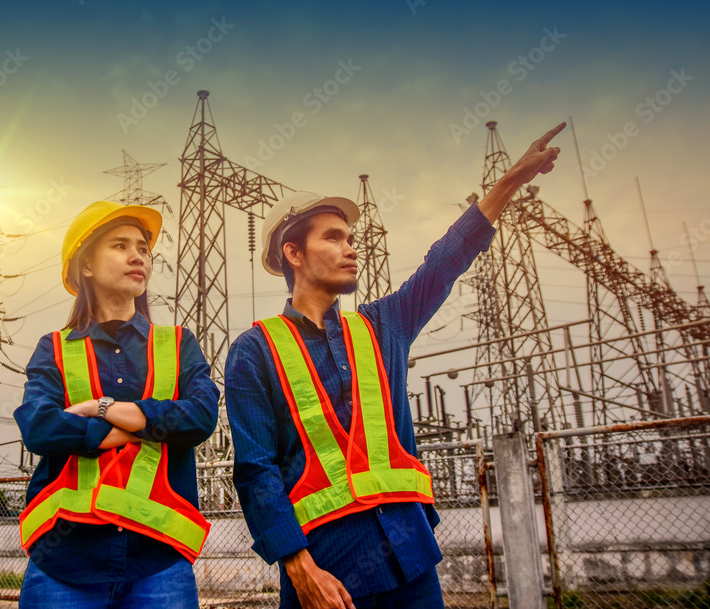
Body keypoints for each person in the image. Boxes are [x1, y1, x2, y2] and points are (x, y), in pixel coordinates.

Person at [225, 123, 566, 608]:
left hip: (410, 558)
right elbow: (257, 470)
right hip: (326, 572)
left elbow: (445, 261)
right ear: (293, 253)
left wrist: (510, 180)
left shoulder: (383, 326)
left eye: (350, 237)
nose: (351, 247)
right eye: (334, 237)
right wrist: (300, 568)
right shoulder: (254, 351)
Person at [14, 200, 220, 608]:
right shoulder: (53, 348)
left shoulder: (179, 344)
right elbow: (38, 427)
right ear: (86, 266)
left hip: (157, 557)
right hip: (65, 559)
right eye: (120, 246)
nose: (137, 256)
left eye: (143, 248)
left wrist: (100, 408)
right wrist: (148, 421)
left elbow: (201, 416)